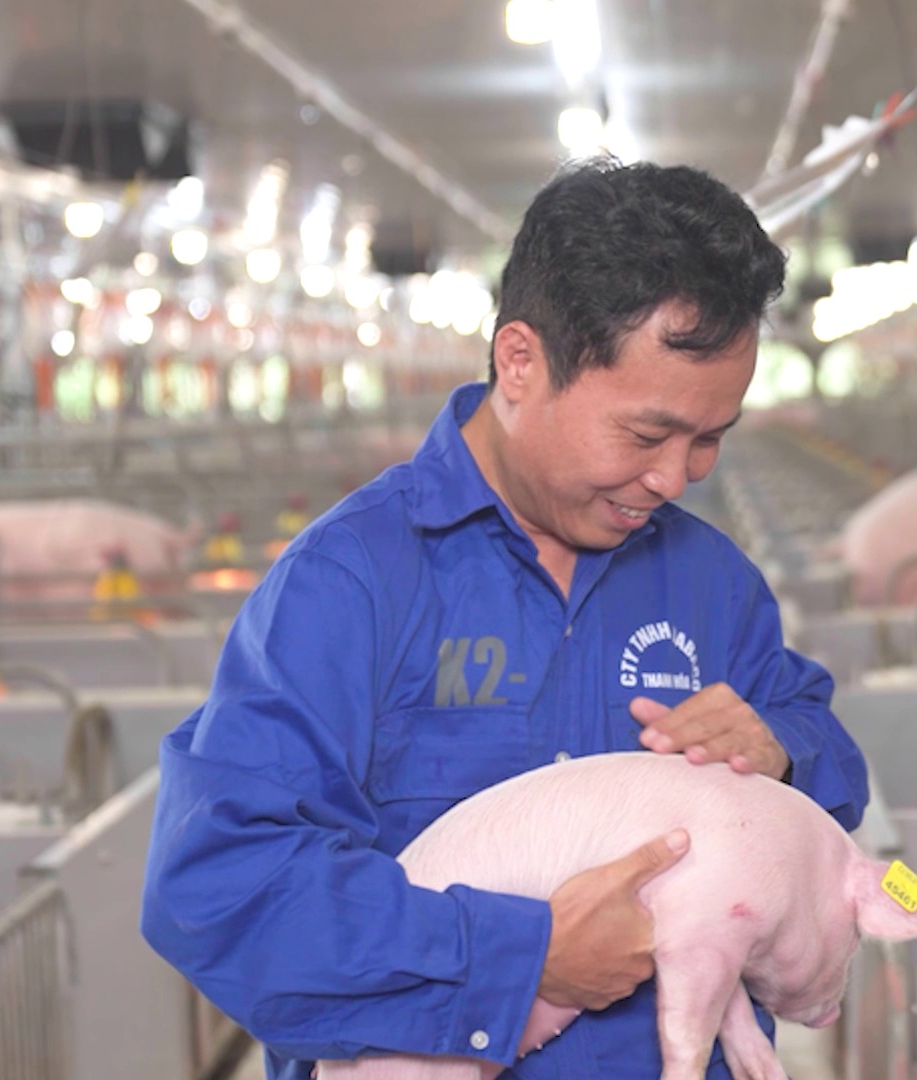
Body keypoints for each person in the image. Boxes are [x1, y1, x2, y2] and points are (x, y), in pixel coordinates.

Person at [139, 156, 872, 1080]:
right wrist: (520, 956)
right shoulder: (352, 583)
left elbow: (827, 759)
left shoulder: (710, 582)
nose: (675, 477)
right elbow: (221, 888)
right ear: (520, 362)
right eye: (646, 434)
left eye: (710, 440)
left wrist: (781, 751)